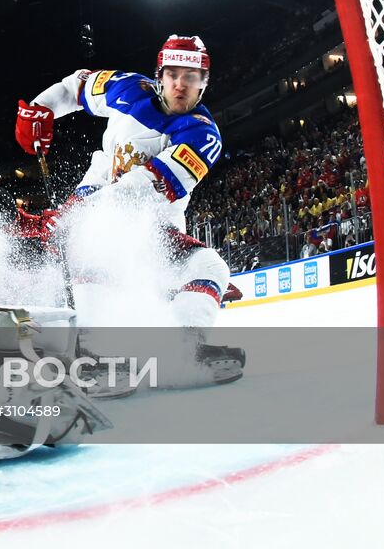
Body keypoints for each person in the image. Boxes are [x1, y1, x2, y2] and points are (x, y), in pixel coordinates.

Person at [14, 34, 244, 383]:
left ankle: (181, 349)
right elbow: (71, 88)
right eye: (173, 74)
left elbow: (142, 192)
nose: (181, 85)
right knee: (87, 257)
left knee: (208, 267)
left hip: (153, 226)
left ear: (204, 84)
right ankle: (86, 351)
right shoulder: (126, 88)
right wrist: (39, 110)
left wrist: (75, 215)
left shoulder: (203, 135)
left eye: (191, 77)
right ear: (159, 75)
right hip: (96, 194)